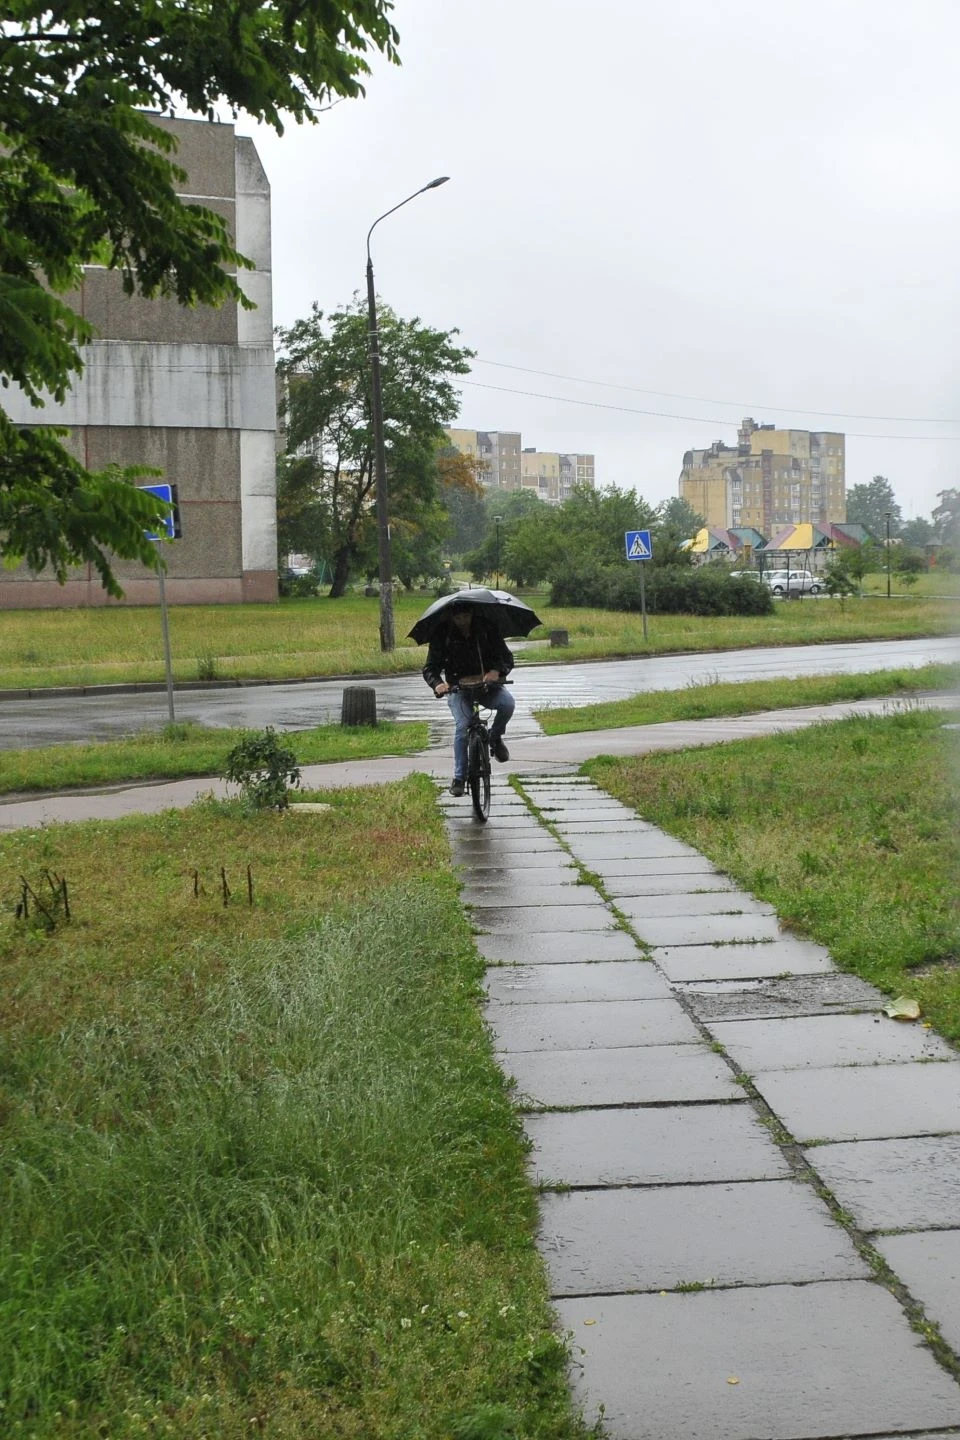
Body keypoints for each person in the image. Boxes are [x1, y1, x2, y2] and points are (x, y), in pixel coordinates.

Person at [422, 603, 516, 796]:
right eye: (457, 618)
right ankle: (459, 777)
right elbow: (430, 668)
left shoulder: (487, 628)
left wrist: (495, 671)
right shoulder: (443, 634)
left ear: (472, 614)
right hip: (458, 689)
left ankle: (495, 738)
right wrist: (438, 684)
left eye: (465, 617)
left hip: (487, 686)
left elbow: (506, 658)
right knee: (462, 727)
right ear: (451, 618)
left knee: (507, 704)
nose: (462, 622)